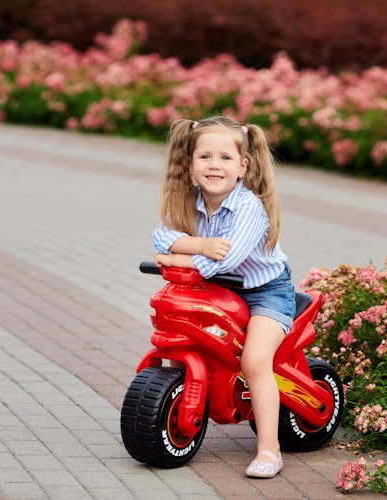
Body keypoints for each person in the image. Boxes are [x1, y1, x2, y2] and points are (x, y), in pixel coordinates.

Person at [151, 116, 295, 478]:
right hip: (222, 291)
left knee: (254, 362)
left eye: (225, 158)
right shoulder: (191, 200)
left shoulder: (250, 208)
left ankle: (269, 450)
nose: (215, 165)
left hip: (266, 294)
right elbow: (159, 235)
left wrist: (176, 257)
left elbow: (225, 260)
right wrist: (199, 245)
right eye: (205, 157)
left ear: (243, 166)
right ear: (190, 164)